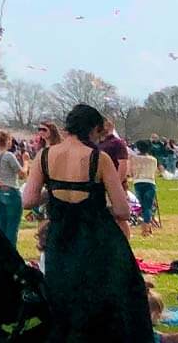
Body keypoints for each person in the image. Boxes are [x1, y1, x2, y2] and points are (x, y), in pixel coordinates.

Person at [21, 103, 147, 341]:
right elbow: (122, 209)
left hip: (60, 240)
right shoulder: (99, 159)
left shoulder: (45, 156)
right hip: (95, 241)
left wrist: (56, 192)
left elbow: (28, 200)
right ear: (94, 129)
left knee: (65, 306)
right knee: (109, 304)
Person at [0, 131, 24, 245]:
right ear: (8, 141)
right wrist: (26, 162)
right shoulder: (8, 156)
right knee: (12, 227)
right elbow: (22, 174)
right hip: (11, 190)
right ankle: (11, 256)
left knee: (1, 225)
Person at [130, 142, 161, 236]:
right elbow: (155, 172)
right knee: (147, 206)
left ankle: (146, 228)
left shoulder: (134, 159)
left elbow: (131, 171)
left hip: (138, 182)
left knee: (143, 206)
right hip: (150, 182)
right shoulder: (153, 160)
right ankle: (146, 229)